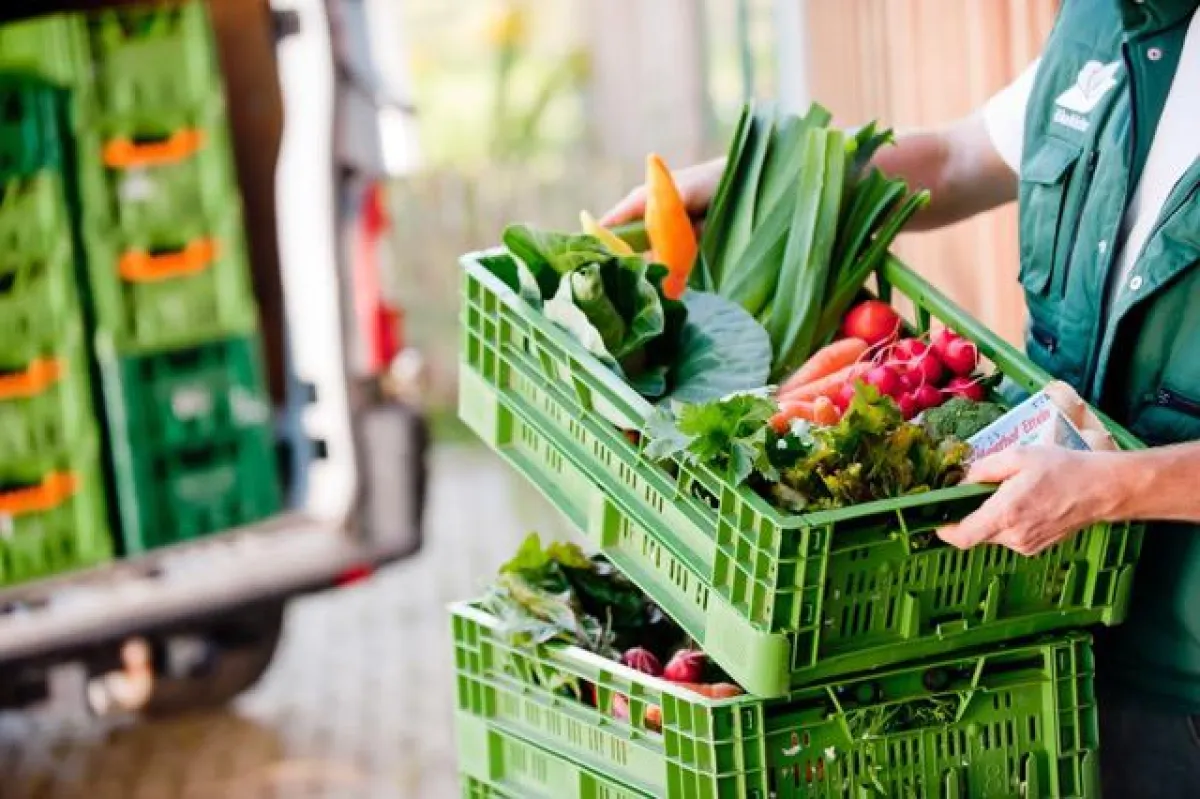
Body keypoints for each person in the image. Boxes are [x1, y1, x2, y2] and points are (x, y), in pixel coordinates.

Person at [604, 1, 1200, 795]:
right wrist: (764, 182)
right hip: (1046, 624)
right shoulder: (1109, 21)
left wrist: (1112, 488)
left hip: (1182, 671)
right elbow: (959, 157)